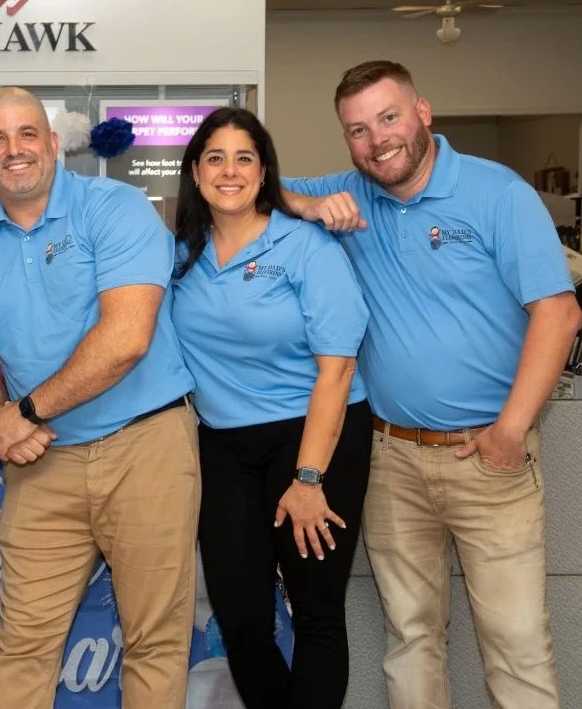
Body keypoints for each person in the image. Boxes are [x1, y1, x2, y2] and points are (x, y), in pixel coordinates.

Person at [282, 60, 582, 709]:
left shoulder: (497, 193)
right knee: (411, 639)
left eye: (388, 118)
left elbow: (559, 313)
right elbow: (250, 187)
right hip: (392, 459)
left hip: (490, 459)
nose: (377, 140)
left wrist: (511, 429)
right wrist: (307, 203)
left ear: (422, 113)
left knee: (517, 647)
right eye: (357, 130)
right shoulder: (351, 195)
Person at [0, 86, 200, 709]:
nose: (15, 149)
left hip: (145, 447)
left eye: (27, 133)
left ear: (54, 144)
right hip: (44, 462)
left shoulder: (114, 207)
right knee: (23, 645)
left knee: (155, 642)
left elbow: (127, 338)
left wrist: (25, 412)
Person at [171, 107, 371, 709]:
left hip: (314, 436)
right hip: (224, 444)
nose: (229, 171)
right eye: (215, 158)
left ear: (264, 172)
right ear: (195, 172)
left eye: (245, 158)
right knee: (239, 620)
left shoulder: (307, 246)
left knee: (315, 612)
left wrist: (308, 478)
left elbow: (338, 368)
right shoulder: (181, 253)